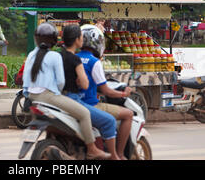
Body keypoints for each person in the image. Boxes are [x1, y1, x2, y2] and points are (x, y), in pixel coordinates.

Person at [22, 22, 109, 160]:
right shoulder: (55, 56)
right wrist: (59, 93)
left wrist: (28, 95)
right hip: (49, 97)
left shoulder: (31, 55)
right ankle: (92, 149)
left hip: (33, 98)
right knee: (85, 113)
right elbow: (61, 82)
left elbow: (25, 81)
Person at [61, 24, 119, 160]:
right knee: (109, 121)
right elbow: (86, 85)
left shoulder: (58, 56)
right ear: (76, 40)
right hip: (74, 99)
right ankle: (109, 155)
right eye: (81, 37)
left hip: (59, 97)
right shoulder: (77, 59)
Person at [78, 24, 133, 160]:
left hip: (74, 102)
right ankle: (119, 155)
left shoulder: (73, 57)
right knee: (128, 114)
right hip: (90, 105)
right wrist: (123, 94)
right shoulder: (94, 62)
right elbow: (106, 91)